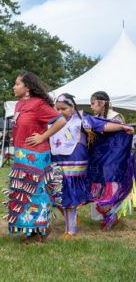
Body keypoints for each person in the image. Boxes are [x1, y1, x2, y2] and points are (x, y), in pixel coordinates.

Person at [50, 94, 133, 238]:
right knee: (54, 195)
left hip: (75, 164)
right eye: (58, 109)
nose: (60, 112)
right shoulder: (52, 121)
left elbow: (104, 125)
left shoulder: (82, 120)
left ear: (73, 107)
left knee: (69, 196)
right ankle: (73, 220)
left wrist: (122, 126)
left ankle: (70, 231)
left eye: (64, 108)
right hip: (56, 163)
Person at [4, 71, 66, 243]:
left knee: (35, 191)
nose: (14, 87)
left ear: (28, 87)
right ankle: (31, 229)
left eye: (17, 84)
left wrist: (43, 136)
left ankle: (41, 229)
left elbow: (60, 121)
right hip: (21, 153)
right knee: (23, 192)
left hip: (36, 154)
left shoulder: (38, 104)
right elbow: (23, 125)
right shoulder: (18, 105)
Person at [88, 91, 135, 229]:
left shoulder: (115, 117)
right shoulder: (95, 117)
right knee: (98, 186)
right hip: (98, 159)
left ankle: (111, 216)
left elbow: (120, 140)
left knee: (111, 187)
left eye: (93, 103)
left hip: (112, 160)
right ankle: (100, 216)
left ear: (101, 103)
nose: (91, 107)